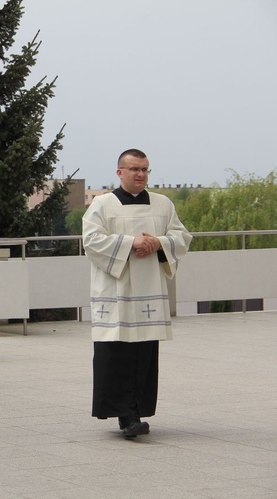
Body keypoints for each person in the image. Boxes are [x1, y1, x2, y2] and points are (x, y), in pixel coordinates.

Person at [82, 148, 192, 438]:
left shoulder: (163, 204)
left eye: (145, 169)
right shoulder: (102, 205)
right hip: (115, 291)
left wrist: (159, 243)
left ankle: (136, 413)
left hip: (148, 292)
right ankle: (125, 416)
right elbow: (91, 241)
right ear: (120, 172)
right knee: (117, 354)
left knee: (143, 354)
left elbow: (181, 237)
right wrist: (132, 243)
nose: (140, 174)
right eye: (134, 169)